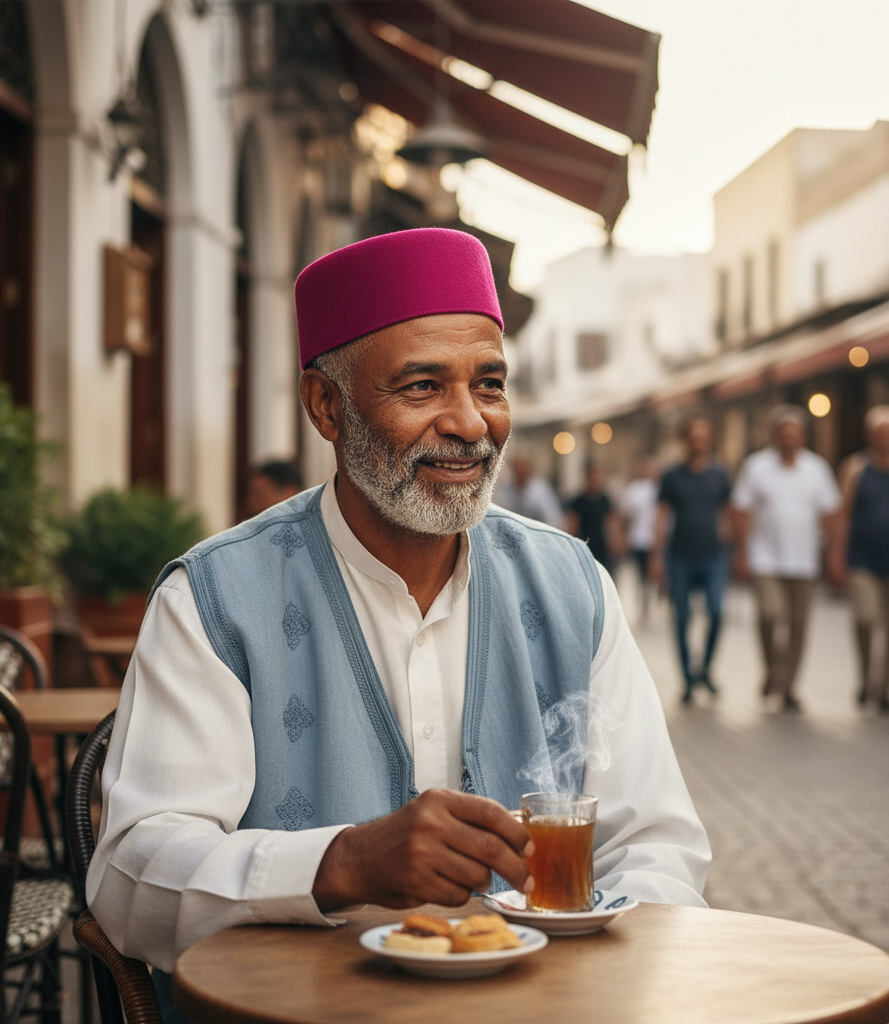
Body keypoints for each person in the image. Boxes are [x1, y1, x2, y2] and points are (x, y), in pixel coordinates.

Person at [87, 229, 710, 1010]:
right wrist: (341, 865)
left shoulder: (571, 588)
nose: (470, 423)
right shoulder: (214, 601)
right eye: (422, 387)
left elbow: (655, 845)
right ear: (327, 406)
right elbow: (134, 879)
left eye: (489, 384)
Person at [730, 404, 842, 712]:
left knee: (798, 625)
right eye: (784, 434)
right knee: (769, 614)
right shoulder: (756, 467)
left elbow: (831, 513)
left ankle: (788, 685)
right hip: (765, 558)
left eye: (795, 434)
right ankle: (774, 670)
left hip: (804, 560)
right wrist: (741, 552)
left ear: (803, 436)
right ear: (774, 436)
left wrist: (833, 553)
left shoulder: (817, 469)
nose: (789, 439)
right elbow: (741, 510)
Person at [835, 406, 889, 716]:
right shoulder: (855, 468)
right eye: (880, 433)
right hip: (862, 559)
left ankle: (886, 689)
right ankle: (866, 678)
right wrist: (836, 554)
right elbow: (843, 514)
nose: (885, 438)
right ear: (870, 436)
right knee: (865, 618)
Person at [649, 420, 731, 704]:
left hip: (713, 556)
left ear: (710, 441)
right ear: (685, 441)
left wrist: (733, 549)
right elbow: (661, 516)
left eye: (703, 437)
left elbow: (726, 513)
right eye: (693, 437)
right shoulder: (672, 476)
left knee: (717, 612)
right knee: (682, 617)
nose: (698, 443)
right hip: (680, 557)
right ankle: (686, 678)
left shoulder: (720, 475)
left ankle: (705, 669)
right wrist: (657, 556)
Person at [619, 458, 659, 622]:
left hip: (654, 538)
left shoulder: (658, 489)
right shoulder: (633, 490)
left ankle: (651, 598)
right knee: (640, 572)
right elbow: (625, 515)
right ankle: (642, 601)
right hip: (638, 538)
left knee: (653, 572)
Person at [566, 462, 614, 570]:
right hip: (585, 544)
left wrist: (612, 540)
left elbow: (610, 521)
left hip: (601, 546)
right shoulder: (579, 501)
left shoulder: (604, 500)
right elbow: (573, 523)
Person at [498, 455, 564, 528]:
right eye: (518, 469)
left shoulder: (540, 489)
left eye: (523, 468)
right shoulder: (507, 489)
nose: (521, 471)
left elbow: (553, 518)